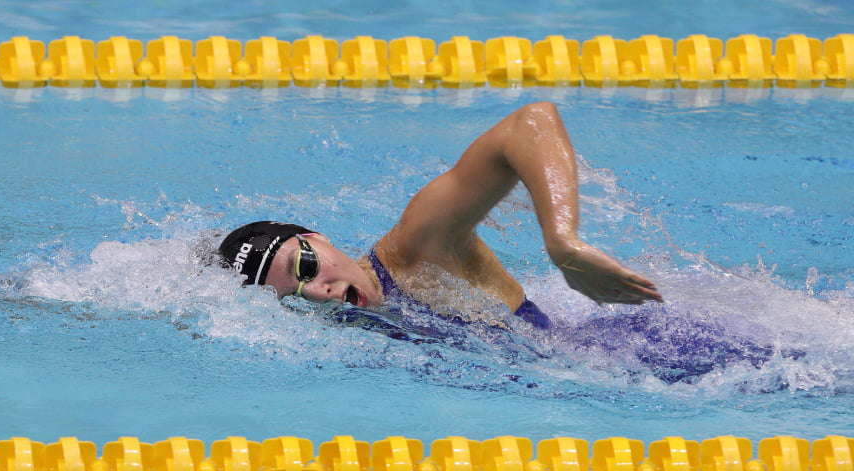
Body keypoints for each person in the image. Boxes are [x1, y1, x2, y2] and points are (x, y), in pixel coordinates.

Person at [211, 102, 662, 329]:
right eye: (294, 297)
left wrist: (563, 244)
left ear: (320, 238)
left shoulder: (416, 251)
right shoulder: (357, 328)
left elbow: (530, 123)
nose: (318, 291)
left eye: (306, 267)